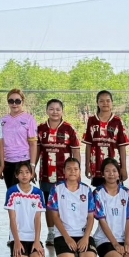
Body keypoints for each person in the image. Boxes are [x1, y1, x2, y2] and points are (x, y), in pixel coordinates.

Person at [36, 98, 81, 245]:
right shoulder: (41, 129)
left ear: (62, 111)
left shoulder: (69, 129)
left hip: (65, 175)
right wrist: (32, 167)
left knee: (66, 204)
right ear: (46, 111)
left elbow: (76, 151)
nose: (54, 112)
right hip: (46, 174)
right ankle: (51, 232)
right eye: (51, 109)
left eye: (58, 109)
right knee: (49, 204)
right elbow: (37, 150)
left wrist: (77, 172)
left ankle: (67, 232)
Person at [47, 157, 98, 257]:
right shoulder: (56, 189)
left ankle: (78, 253)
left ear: (79, 171)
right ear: (64, 171)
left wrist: (86, 238)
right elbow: (55, 216)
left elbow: (90, 217)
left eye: (75, 169)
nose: (72, 171)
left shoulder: (86, 190)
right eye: (69, 169)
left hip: (83, 234)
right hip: (63, 234)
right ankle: (72, 253)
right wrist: (67, 238)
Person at [94, 158, 129, 257]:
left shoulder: (128, 193)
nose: (111, 174)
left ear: (119, 174)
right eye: (107, 171)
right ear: (102, 173)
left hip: (124, 238)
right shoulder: (97, 193)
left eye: (114, 171)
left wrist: (127, 243)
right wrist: (115, 244)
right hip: (105, 239)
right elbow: (102, 221)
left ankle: (120, 254)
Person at [83, 90, 129, 186]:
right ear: (97, 103)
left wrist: (123, 168)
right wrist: (87, 165)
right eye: (101, 101)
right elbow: (88, 145)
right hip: (96, 165)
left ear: (112, 102)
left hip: (114, 166)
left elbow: (122, 146)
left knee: (115, 192)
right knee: (99, 192)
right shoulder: (91, 120)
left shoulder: (117, 121)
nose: (105, 103)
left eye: (108, 101)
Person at [5, 162, 46, 257]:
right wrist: (17, 242)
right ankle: (21, 254)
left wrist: (37, 241)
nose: (24, 175)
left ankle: (30, 254)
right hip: (18, 236)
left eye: (27, 172)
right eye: (21, 172)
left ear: (32, 174)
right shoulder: (11, 192)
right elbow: (12, 219)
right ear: (16, 175)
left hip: (33, 237)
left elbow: (38, 219)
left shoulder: (38, 193)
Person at [0, 89, 37, 192]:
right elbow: (0, 144)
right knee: (11, 192)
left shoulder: (29, 119)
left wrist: (32, 166)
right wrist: (1, 164)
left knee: (23, 193)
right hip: (7, 162)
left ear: (22, 102)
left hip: (23, 161)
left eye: (17, 101)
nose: (14, 104)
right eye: (11, 101)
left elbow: (33, 144)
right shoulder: (2, 120)